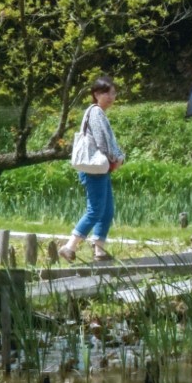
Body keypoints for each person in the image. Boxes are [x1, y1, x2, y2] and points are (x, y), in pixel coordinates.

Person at [60, 76, 125, 262]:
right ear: (96, 94)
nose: (110, 97)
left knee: (107, 210)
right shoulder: (96, 112)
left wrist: (116, 158)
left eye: (112, 93)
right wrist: (116, 158)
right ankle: (69, 246)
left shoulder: (100, 113)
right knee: (95, 210)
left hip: (100, 169)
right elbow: (102, 141)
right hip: (94, 168)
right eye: (106, 93)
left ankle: (99, 250)